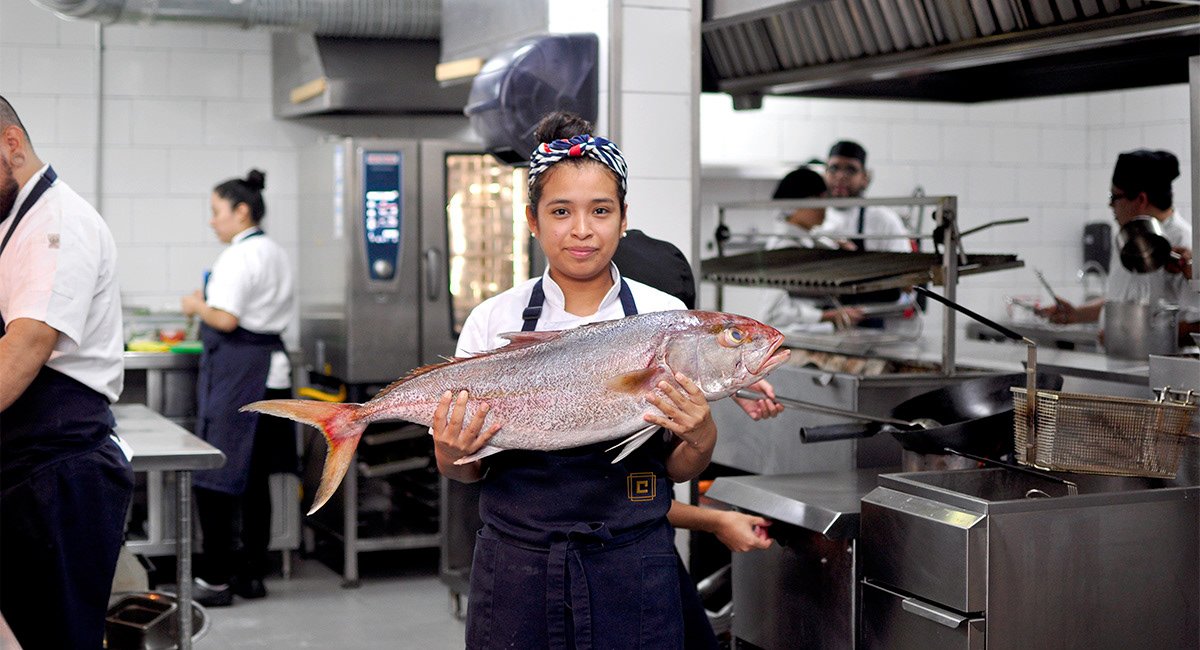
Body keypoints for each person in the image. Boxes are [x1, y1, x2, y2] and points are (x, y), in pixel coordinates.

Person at [433, 111, 782, 649]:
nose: (581, 229)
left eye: (600, 210)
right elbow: (462, 473)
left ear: (623, 218)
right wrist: (452, 450)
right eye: (560, 212)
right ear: (532, 220)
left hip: (630, 564)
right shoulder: (493, 321)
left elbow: (676, 470)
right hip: (517, 567)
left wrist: (702, 435)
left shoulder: (663, 315)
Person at [0, 95, 134, 649]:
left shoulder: (57, 224)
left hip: (57, 474)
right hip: (26, 465)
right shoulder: (17, 222)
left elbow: (24, 349)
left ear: (10, 145)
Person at [181, 169, 296, 607]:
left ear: (241, 211)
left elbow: (226, 319)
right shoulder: (275, 252)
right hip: (269, 371)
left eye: (216, 212)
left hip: (240, 375)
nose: (212, 221)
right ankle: (251, 575)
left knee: (216, 472)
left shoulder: (238, 256)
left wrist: (196, 305)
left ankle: (215, 579)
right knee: (255, 480)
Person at [1037, 149, 1198, 344]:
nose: (1110, 205)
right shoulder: (1129, 236)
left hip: (1158, 370)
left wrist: (1131, 337)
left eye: (1115, 197)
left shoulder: (1184, 243)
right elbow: (1122, 301)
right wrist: (1077, 314)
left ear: (1140, 200)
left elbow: (1196, 324)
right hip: (1119, 364)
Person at [762, 166, 867, 330]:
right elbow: (774, 314)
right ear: (799, 203)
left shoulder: (806, 239)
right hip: (793, 340)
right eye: (819, 199)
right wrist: (827, 316)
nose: (824, 207)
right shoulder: (784, 248)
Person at [818, 140, 911, 253]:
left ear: (864, 178)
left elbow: (901, 265)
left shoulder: (884, 220)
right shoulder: (810, 218)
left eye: (850, 170)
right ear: (824, 174)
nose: (840, 176)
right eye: (834, 168)